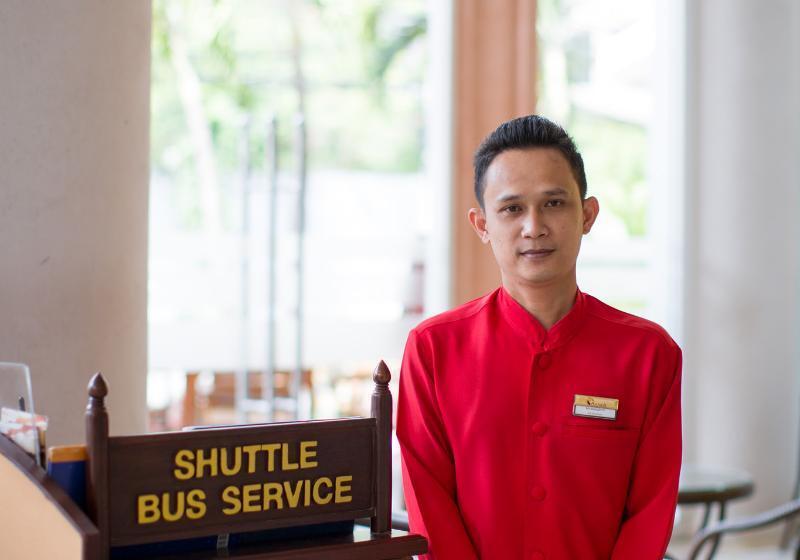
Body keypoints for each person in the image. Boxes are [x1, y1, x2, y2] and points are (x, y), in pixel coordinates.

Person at [396, 115, 682, 560]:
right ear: (481, 224)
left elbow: (650, 511)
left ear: (587, 214)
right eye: (512, 209)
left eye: (554, 203)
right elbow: (429, 504)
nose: (534, 226)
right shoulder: (433, 350)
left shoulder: (648, 355)